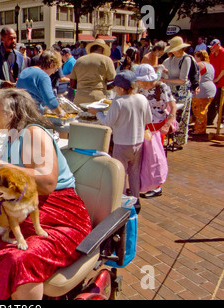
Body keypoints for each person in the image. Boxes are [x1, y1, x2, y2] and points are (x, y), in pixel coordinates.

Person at [0, 88, 92, 300]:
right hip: (24, 210)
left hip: (60, 215)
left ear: (10, 115)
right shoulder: (11, 140)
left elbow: (48, 183)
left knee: (19, 258)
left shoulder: (33, 132)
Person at [88, 71, 152, 201]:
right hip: (138, 142)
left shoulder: (118, 102)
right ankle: (135, 199)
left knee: (120, 173)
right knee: (134, 173)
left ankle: (122, 200)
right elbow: (148, 119)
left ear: (121, 88)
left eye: (116, 87)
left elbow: (107, 123)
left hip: (122, 143)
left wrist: (97, 113)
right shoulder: (142, 98)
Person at [134, 64, 176, 198]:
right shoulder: (140, 88)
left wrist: (168, 124)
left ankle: (157, 186)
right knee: (145, 158)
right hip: (144, 126)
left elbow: (173, 107)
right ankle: (146, 184)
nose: (140, 83)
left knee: (155, 157)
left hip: (157, 127)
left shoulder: (161, 87)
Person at [161, 36, 194, 149]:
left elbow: (182, 79)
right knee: (169, 113)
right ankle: (169, 139)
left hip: (182, 91)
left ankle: (177, 141)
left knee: (179, 116)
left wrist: (165, 80)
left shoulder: (186, 59)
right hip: (171, 90)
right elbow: (168, 71)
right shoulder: (171, 59)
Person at [16, 48, 66, 116]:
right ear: (51, 64)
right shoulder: (43, 76)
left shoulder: (25, 71)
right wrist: (60, 112)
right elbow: (50, 100)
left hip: (19, 112)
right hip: (33, 115)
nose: (54, 72)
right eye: (56, 69)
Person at [68, 38, 116, 105]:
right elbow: (113, 81)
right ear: (102, 51)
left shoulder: (79, 60)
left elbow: (72, 84)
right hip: (98, 99)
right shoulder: (106, 60)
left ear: (91, 49)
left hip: (80, 99)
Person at [191, 50, 216, 134]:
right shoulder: (210, 65)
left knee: (198, 110)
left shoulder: (199, 64)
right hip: (211, 89)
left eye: (196, 57)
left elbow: (193, 75)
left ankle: (199, 129)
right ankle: (199, 127)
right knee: (203, 110)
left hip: (202, 89)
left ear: (199, 57)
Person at [207, 39, 224, 126]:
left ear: (218, 45)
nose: (211, 49)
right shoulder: (212, 54)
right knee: (212, 101)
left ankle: (221, 121)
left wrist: (217, 79)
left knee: (221, 102)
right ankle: (210, 120)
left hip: (221, 82)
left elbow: (223, 69)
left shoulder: (223, 53)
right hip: (213, 81)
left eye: (213, 47)